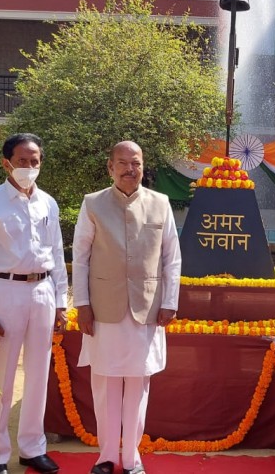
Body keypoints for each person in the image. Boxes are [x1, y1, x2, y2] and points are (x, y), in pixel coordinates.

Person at [72, 141, 181, 474]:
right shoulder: (92, 204)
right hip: (104, 309)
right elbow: (80, 257)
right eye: (123, 163)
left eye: (136, 163)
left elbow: (171, 258)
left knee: (137, 385)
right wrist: (82, 304)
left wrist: (170, 301)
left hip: (146, 309)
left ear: (143, 166)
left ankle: (132, 459)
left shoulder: (160, 203)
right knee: (104, 385)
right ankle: (106, 457)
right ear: (110, 167)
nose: (130, 169)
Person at [0, 133, 68, 474]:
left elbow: (56, 254)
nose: (29, 167)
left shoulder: (48, 203)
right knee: (1, 376)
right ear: (6, 163)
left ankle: (31, 447)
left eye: (35, 161)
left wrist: (60, 303)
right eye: (23, 160)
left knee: (39, 375)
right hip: (4, 290)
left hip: (42, 289)